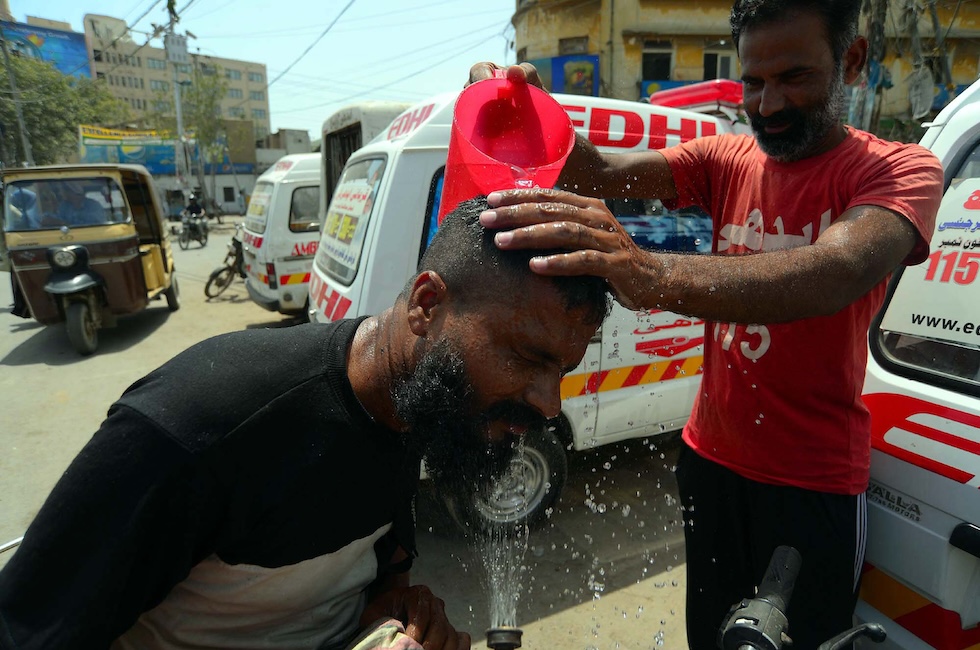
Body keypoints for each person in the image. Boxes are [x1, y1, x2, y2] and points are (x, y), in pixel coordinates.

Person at [467, 0, 943, 647]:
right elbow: (599, 174)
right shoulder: (726, 159)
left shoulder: (898, 169)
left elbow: (837, 271)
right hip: (709, 462)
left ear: (852, 62)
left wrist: (648, 273)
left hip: (814, 482)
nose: (768, 103)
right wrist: (532, 118)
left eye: (794, 77)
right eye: (753, 81)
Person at [0, 196, 610, 650]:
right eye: (527, 358)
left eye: (562, 369)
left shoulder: (427, 403)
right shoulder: (203, 422)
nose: (549, 403)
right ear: (428, 305)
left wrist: (398, 611)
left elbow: (368, 572)